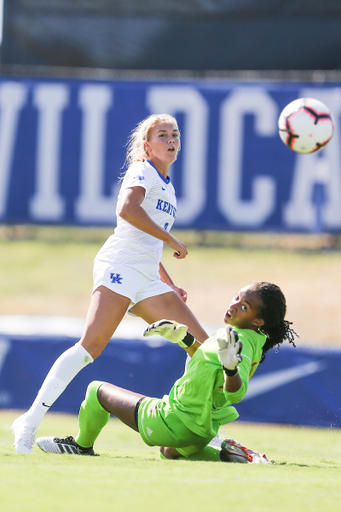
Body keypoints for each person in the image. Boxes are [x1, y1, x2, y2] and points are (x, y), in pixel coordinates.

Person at [11, 113, 209, 454]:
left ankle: (197, 428)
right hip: (118, 265)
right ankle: (27, 422)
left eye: (175, 133)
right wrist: (172, 239)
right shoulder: (142, 169)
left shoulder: (167, 185)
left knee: (203, 349)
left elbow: (145, 244)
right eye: (163, 134)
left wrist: (169, 284)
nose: (172, 139)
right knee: (90, 347)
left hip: (147, 275)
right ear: (147, 146)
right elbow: (127, 210)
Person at [35, 281, 298, 463]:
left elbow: (236, 392)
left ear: (257, 321)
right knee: (168, 452)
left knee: (95, 391)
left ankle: (81, 446)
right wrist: (183, 339)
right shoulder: (251, 338)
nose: (234, 305)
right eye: (237, 297)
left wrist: (231, 369)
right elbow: (211, 364)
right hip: (201, 429)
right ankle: (226, 453)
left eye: (244, 306)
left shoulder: (235, 337)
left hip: (173, 420)